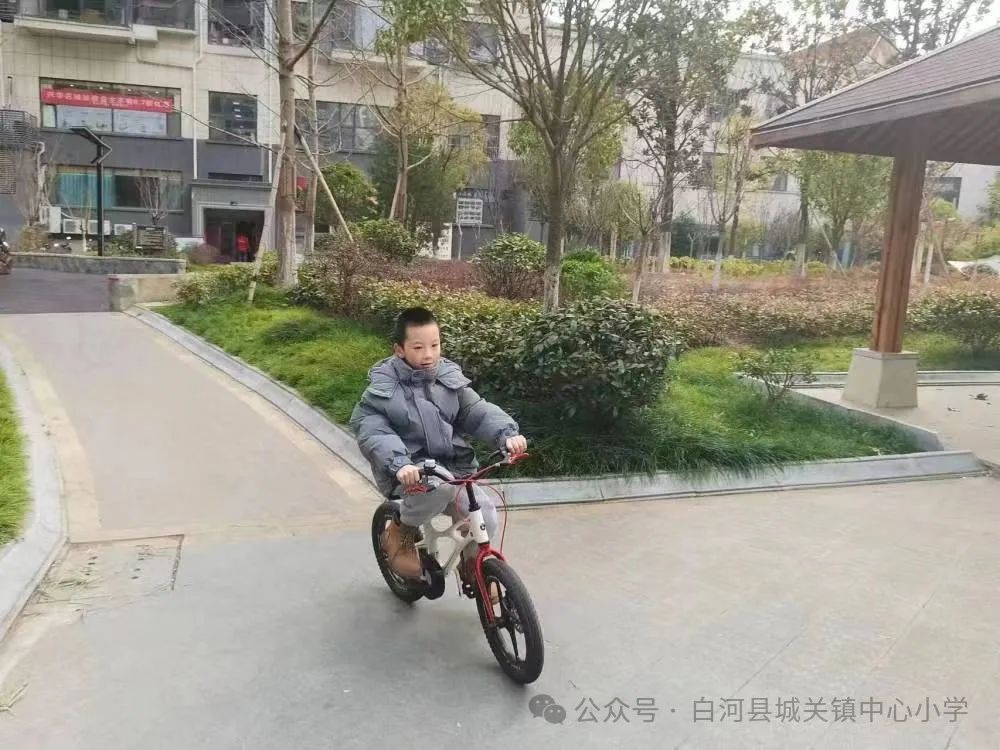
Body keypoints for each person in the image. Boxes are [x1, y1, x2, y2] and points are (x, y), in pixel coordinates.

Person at [350, 306, 527, 589]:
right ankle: (399, 531)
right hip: (410, 471)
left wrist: (506, 435)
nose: (428, 354)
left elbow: (476, 411)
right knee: (439, 488)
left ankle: (474, 566)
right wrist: (401, 464)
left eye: (434, 345)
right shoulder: (382, 390)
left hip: (454, 468)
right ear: (399, 349)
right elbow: (375, 432)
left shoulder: (447, 379)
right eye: (418, 347)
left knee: (485, 513)